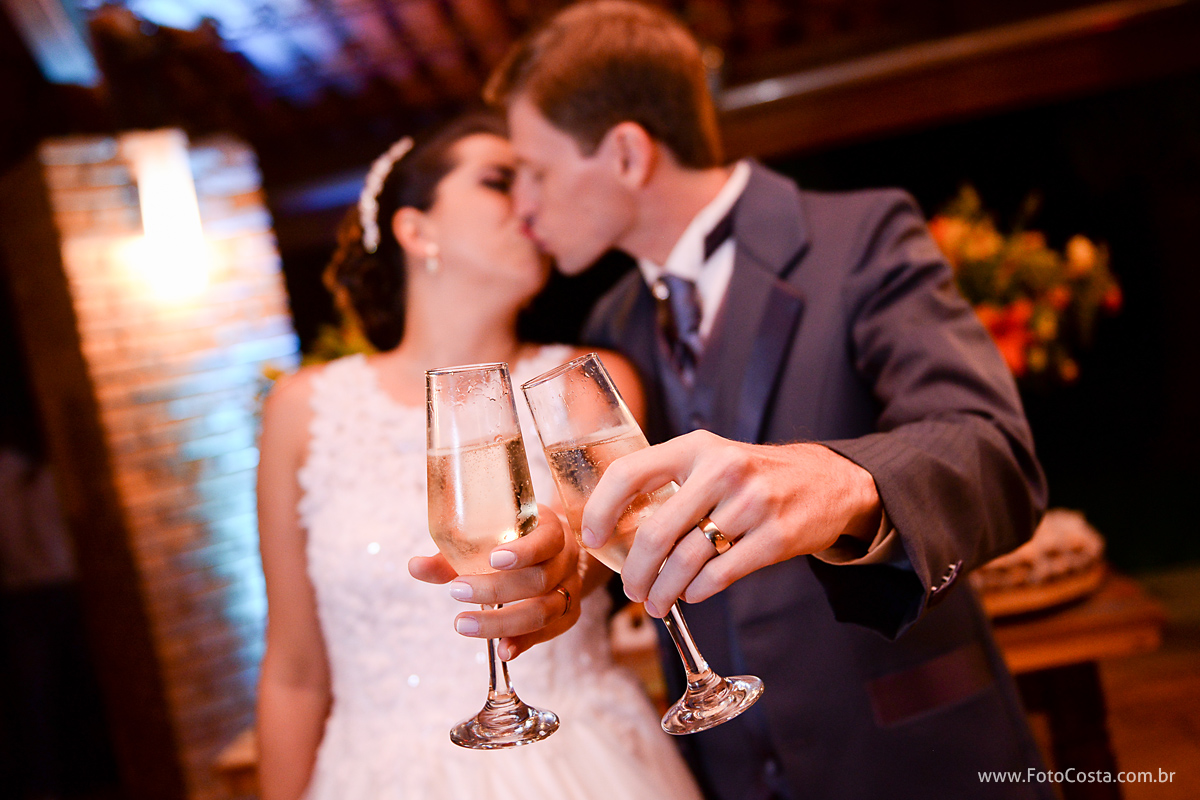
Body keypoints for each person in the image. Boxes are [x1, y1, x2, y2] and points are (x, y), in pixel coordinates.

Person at [431, 2, 1053, 799]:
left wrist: (842, 482)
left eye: (539, 173)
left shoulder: (860, 236)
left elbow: (997, 452)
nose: (525, 208)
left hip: (915, 760)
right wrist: (567, 569)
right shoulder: (610, 327)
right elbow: (620, 518)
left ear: (625, 153)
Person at [255, 112, 703, 800]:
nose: (530, 203)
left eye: (538, 182)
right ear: (416, 230)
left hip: (585, 761)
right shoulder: (303, 409)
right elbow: (293, 672)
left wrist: (557, 570)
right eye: (500, 182)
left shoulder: (584, 384)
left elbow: (592, 555)